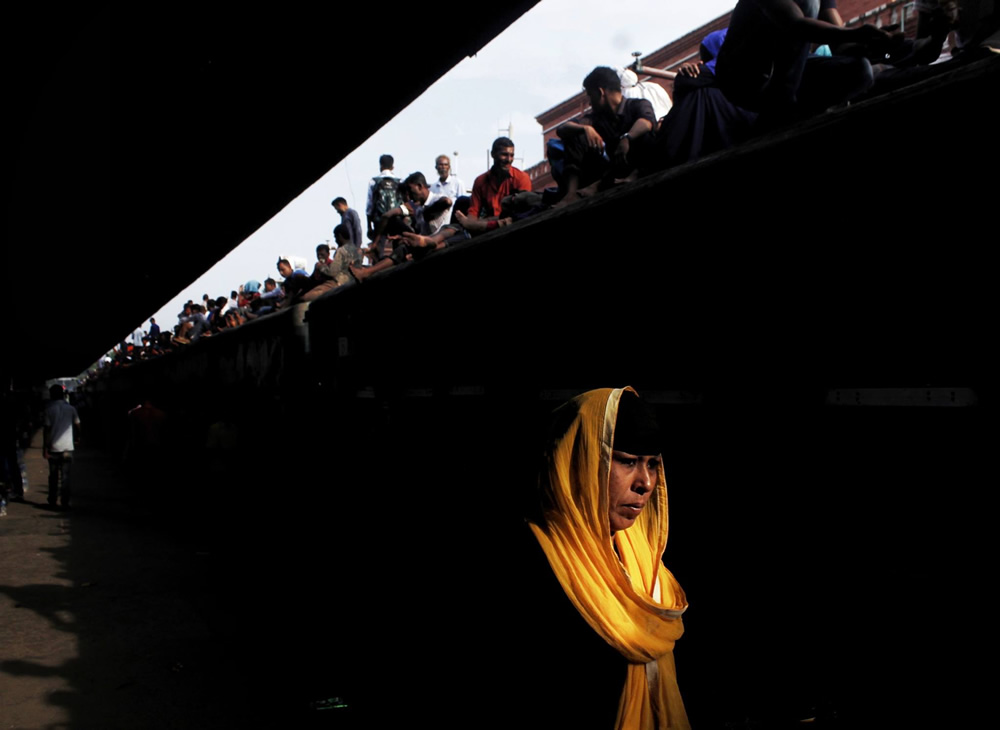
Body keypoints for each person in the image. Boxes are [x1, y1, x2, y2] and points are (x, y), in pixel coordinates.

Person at [518, 387, 689, 729]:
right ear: (581, 459)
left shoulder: (640, 559)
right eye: (627, 461)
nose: (645, 483)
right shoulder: (537, 561)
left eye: (653, 465)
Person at [555, 67, 657, 206]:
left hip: (642, 163)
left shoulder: (637, 105)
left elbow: (646, 122)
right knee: (576, 135)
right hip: (616, 167)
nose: (590, 102)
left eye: (590, 95)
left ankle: (635, 175)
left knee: (647, 135)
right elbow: (562, 129)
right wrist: (585, 128)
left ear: (600, 92)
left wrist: (627, 138)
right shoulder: (597, 118)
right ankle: (571, 193)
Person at [464, 137, 532, 226]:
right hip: (487, 228)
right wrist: (471, 223)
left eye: (512, 155)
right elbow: (473, 213)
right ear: (493, 154)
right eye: (504, 154)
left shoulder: (521, 178)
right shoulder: (480, 181)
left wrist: (486, 220)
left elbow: (523, 213)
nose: (509, 159)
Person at [43, 384, 81, 509]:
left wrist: (45, 447)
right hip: (67, 448)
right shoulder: (71, 409)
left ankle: (52, 500)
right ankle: (65, 501)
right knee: (66, 476)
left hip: (54, 447)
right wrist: (77, 438)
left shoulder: (49, 409)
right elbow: (77, 425)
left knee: (53, 476)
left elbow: (47, 430)